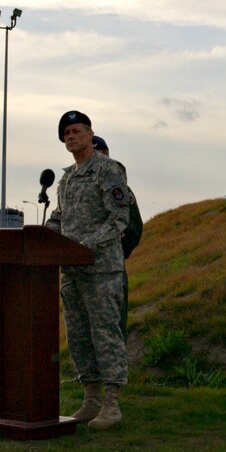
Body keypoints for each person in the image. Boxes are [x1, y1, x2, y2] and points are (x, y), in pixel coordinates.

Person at [45, 111, 131, 430]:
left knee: (105, 334)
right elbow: (60, 217)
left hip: (101, 270)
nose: (71, 137)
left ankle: (112, 403)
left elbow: (119, 219)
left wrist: (85, 245)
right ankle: (91, 398)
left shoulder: (108, 170)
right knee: (79, 337)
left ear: (90, 134)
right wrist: (40, 235)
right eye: (66, 133)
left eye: (76, 131)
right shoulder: (67, 178)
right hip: (72, 272)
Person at [91, 135, 143, 339]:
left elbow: (134, 228)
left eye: (98, 153)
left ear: (107, 154)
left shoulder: (119, 188)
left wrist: (116, 252)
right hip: (82, 272)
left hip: (110, 271)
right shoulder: (76, 187)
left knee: (113, 333)